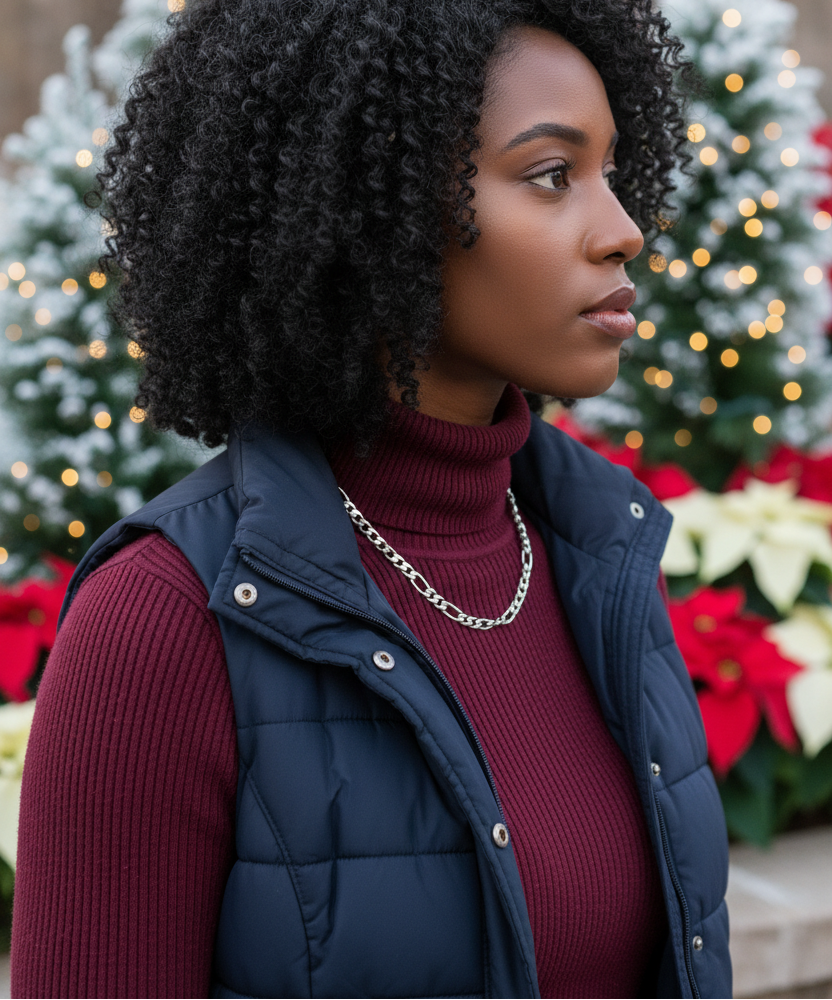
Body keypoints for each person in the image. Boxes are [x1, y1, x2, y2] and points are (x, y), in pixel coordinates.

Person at [11, 1, 731, 998]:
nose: (623, 232)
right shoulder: (165, 619)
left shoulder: (601, 553)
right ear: (369, 207)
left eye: (610, 171)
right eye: (550, 174)